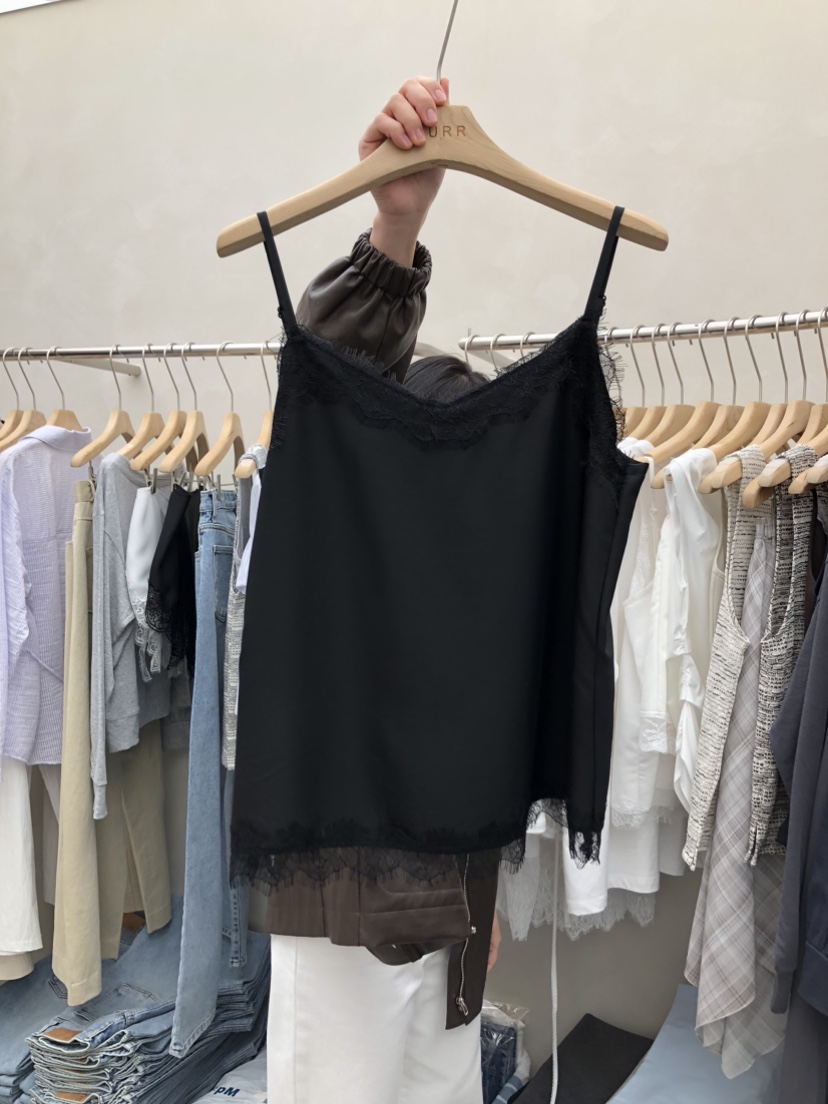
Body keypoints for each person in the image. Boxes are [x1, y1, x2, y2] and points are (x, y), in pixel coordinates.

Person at [264, 77, 502, 1104]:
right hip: (344, 916)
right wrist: (396, 226)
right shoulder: (337, 541)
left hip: (451, 918)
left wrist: (483, 909)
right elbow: (332, 375)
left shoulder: (474, 572)